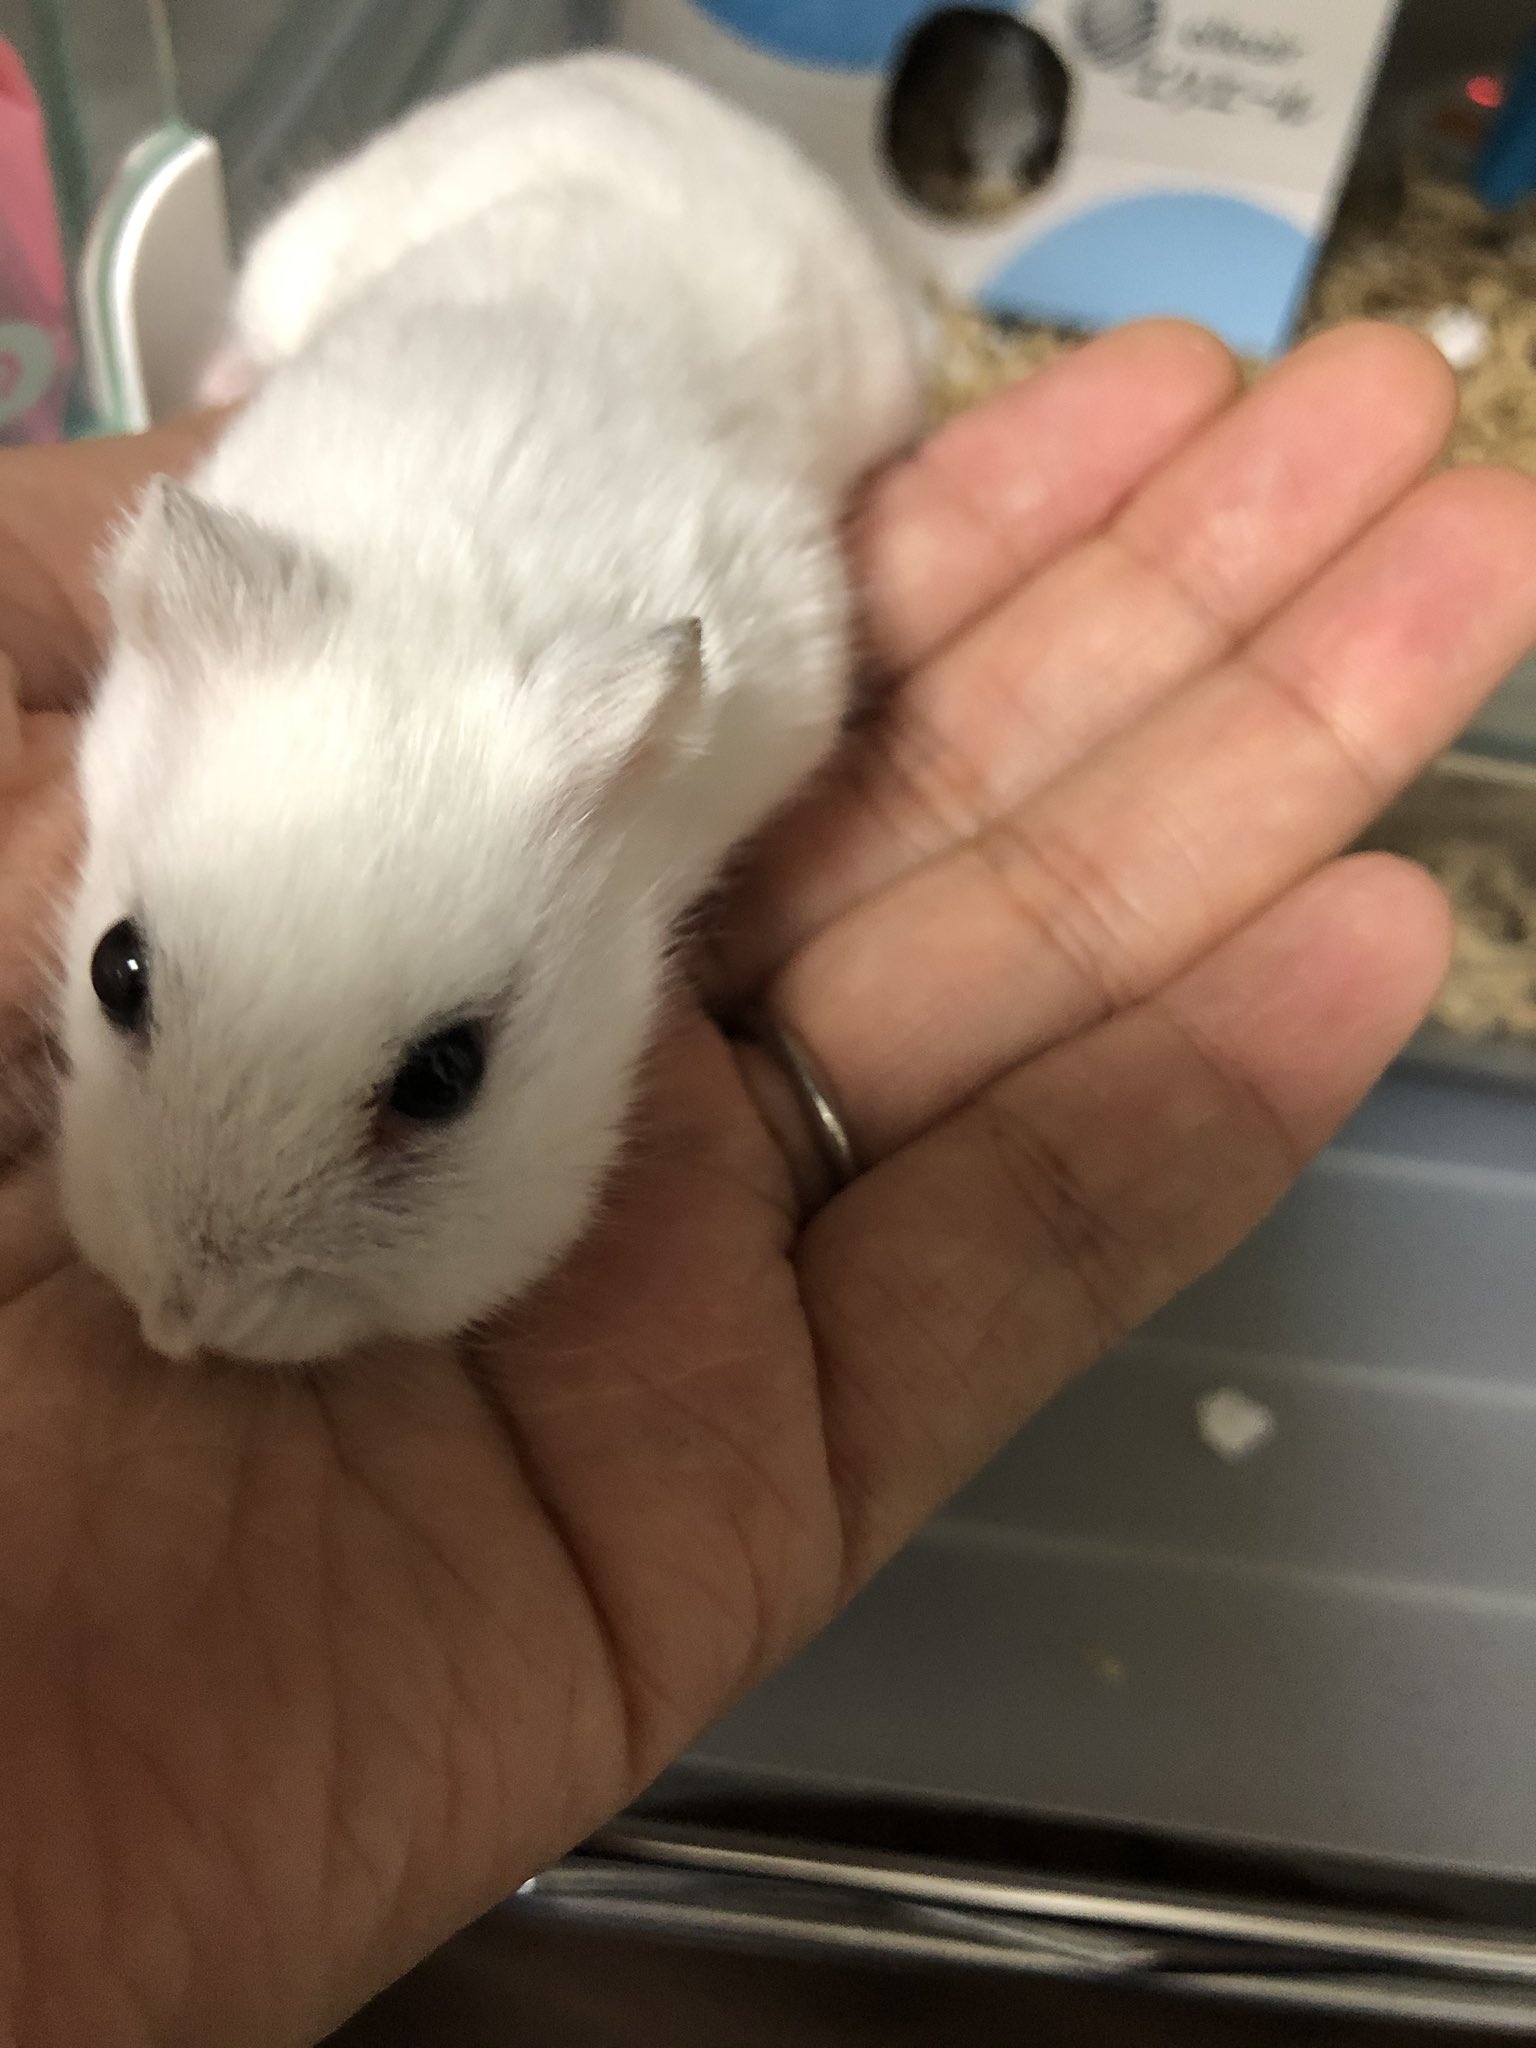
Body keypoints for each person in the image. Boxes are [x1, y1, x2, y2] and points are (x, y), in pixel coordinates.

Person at [0, 318, 1530, 2046]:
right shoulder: (190, 679)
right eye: (128, 983)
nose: (193, 1283)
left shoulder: (629, 742)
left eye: (433, 1084)